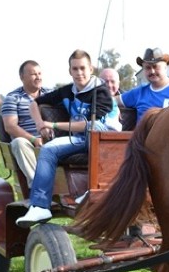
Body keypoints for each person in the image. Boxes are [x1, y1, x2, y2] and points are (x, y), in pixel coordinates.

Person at [16, 49, 115, 227]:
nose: (79, 73)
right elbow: (34, 103)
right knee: (48, 149)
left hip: (107, 140)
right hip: (78, 139)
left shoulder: (101, 92)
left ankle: (93, 189)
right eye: (75, 69)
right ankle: (40, 206)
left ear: (90, 69)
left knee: (94, 128)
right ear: (70, 71)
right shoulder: (67, 91)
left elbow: (88, 125)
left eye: (83, 68)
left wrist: (52, 125)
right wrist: (40, 124)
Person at [1, 60, 50, 186]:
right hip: (29, 145)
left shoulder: (50, 94)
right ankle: (38, 186)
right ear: (22, 77)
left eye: (39, 73)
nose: (38, 77)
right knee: (18, 142)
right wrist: (34, 140)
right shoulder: (13, 98)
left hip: (51, 141)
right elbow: (10, 126)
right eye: (33, 74)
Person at [118, 48, 169, 124]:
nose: (152, 71)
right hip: (143, 135)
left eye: (155, 67)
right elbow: (113, 101)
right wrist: (116, 109)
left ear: (165, 68)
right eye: (148, 68)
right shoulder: (139, 92)